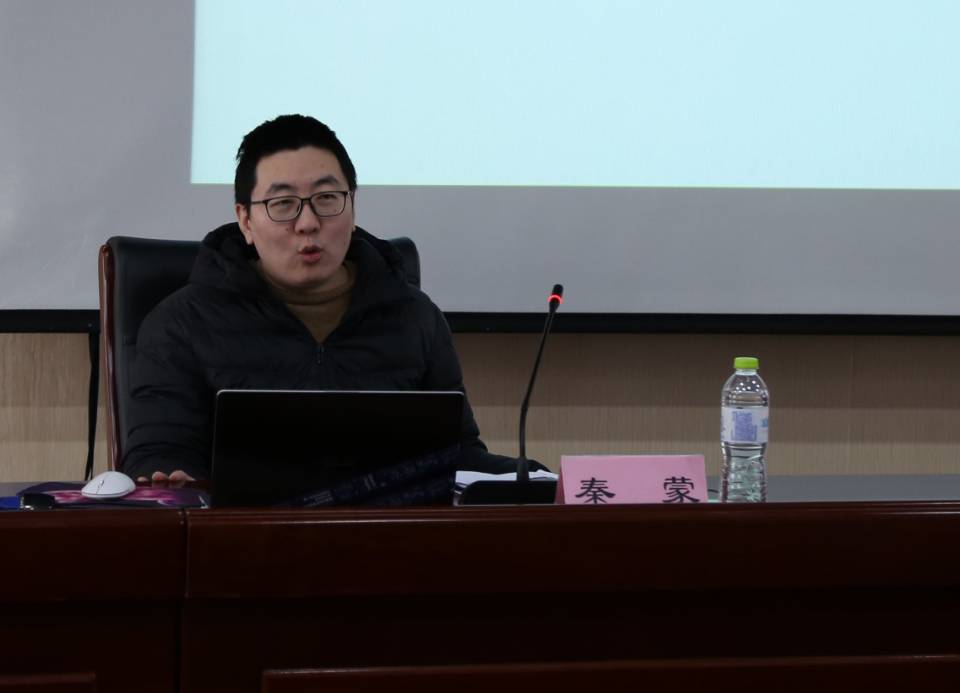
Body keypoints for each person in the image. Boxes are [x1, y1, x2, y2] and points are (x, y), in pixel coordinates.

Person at [121, 114, 523, 495]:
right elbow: (159, 452)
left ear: (352, 205)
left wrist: (535, 477)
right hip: (242, 537)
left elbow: (459, 456)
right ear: (245, 220)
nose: (308, 223)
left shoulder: (415, 317)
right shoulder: (181, 323)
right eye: (283, 204)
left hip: (386, 536)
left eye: (327, 198)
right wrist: (172, 480)